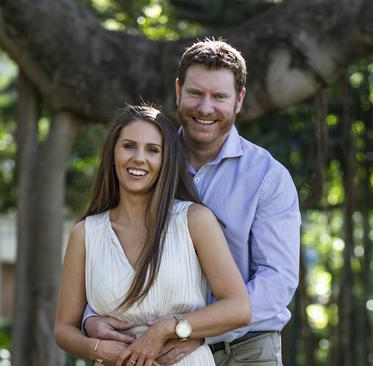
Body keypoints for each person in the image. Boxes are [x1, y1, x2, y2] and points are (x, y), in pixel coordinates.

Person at [85, 40, 302, 365]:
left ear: (239, 100)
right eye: (196, 93)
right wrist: (91, 317)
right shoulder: (147, 162)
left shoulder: (268, 177)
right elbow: (114, 243)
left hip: (244, 350)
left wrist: (196, 330)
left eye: (219, 97)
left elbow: (277, 280)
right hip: (156, 350)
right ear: (178, 91)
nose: (205, 107)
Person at [54, 104, 250, 366]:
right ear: (113, 152)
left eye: (153, 150)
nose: (139, 158)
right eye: (129, 146)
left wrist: (167, 328)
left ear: (166, 160)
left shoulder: (195, 221)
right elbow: (64, 330)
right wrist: (100, 349)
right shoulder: (85, 234)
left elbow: (238, 308)